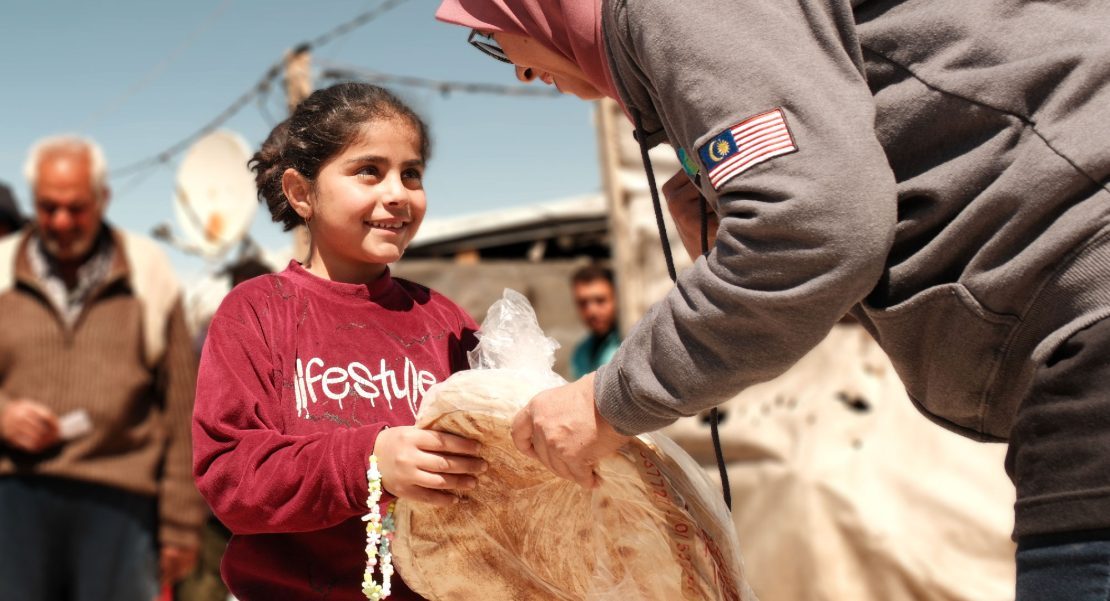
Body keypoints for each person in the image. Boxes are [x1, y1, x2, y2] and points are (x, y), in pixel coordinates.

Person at [434, 1, 1110, 598]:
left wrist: (604, 401)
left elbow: (814, 227)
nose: (520, 71)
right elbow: (844, 228)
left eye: (495, 34)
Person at [192, 82, 487, 601]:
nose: (397, 192)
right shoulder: (256, 313)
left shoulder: (446, 321)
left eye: (411, 173)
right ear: (301, 192)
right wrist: (369, 462)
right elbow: (231, 476)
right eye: (368, 170)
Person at [0, 136, 204, 600]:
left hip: (122, 501)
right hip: (15, 499)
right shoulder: (1, 268)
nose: (61, 222)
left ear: (103, 199)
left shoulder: (147, 269)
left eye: (76, 208)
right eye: (48, 208)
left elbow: (179, 406)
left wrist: (179, 522)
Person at [569, 264, 620, 380]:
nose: (592, 311)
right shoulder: (580, 352)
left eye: (600, 300)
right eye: (583, 303)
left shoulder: (631, 344)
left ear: (617, 298)